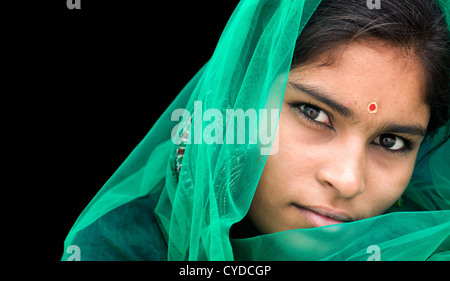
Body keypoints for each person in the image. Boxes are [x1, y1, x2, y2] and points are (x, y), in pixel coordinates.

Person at [62, 0, 450, 261]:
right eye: (314, 114)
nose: (347, 180)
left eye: (391, 141)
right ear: (237, 97)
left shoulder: (425, 248)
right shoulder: (114, 248)